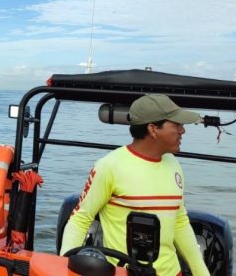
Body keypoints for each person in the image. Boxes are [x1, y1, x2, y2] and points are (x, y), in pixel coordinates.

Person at [59, 94, 209, 276]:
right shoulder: (109, 166)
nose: (182, 130)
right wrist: (62, 269)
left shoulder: (174, 164)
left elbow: (179, 221)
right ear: (153, 129)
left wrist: (202, 273)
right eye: (176, 124)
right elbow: (79, 221)